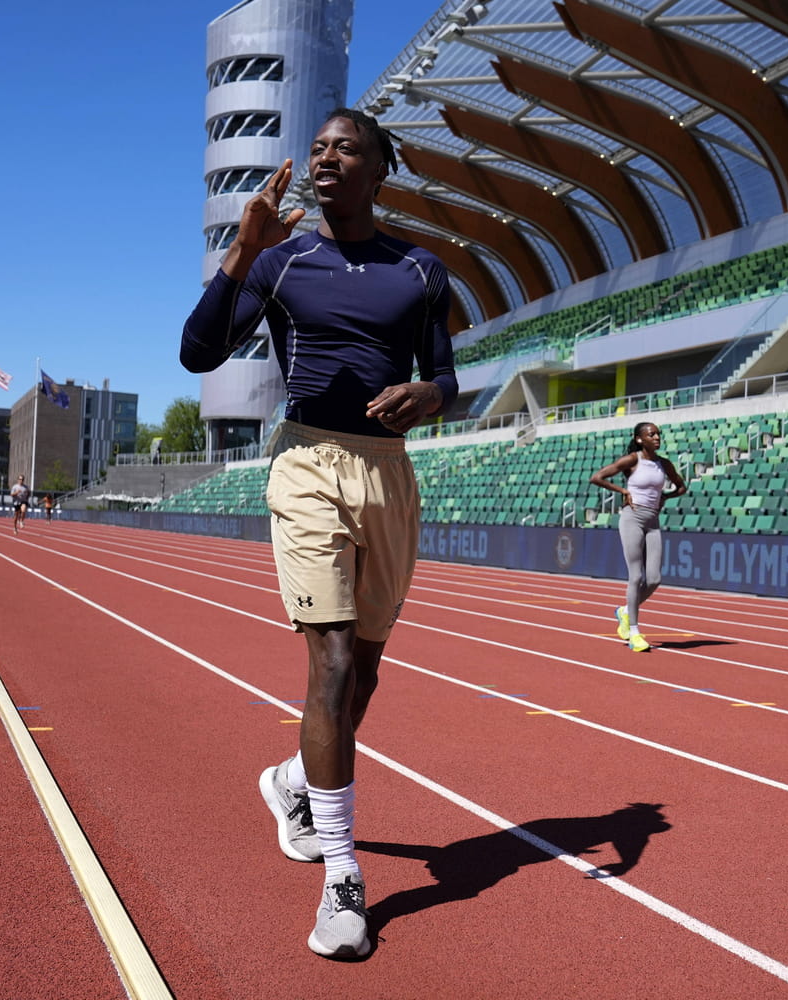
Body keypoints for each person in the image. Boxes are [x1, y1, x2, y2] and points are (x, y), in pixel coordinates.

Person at [181, 107, 457, 960]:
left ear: (381, 169)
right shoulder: (280, 259)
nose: (328, 158)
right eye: (321, 149)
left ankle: (294, 783)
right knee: (331, 661)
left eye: (347, 149)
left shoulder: (421, 268)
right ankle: (343, 878)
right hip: (307, 464)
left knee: (363, 675)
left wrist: (432, 397)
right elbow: (198, 355)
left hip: (389, 473)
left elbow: (445, 372)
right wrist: (242, 247)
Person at [589, 422, 688, 652]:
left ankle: (624, 611)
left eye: (658, 434)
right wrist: (623, 491)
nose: (656, 437)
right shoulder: (632, 460)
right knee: (635, 577)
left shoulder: (664, 464)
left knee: (654, 579)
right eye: (651, 434)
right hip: (632, 517)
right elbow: (597, 477)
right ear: (640, 438)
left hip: (653, 521)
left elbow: (682, 487)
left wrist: (666, 497)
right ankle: (634, 632)